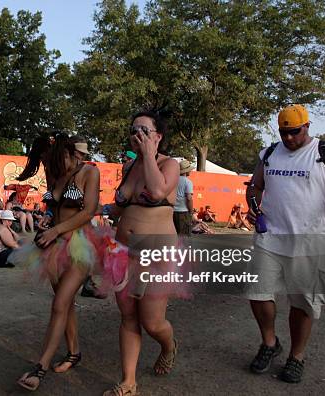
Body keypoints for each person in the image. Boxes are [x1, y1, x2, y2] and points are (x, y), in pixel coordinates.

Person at [245, 104, 325, 383]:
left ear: (307, 126)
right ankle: (269, 343)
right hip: (270, 238)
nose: (289, 138)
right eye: (284, 133)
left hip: (310, 242)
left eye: (294, 132)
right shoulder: (269, 153)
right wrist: (254, 206)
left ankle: (296, 356)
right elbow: (255, 186)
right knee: (258, 294)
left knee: (303, 302)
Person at [10, 133, 101, 391]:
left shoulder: (89, 173)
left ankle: (41, 366)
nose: (49, 165)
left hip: (80, 244)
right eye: (45, 161)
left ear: (71, 152)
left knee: (59, 303)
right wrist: (48, 220)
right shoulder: (54, 171)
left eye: (53, 159)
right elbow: (54, 206)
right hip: (54, 245)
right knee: (66, 302)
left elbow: (88, 210)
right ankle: (74, 353)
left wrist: (56, 230)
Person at [102, 110, 183, 396]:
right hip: (124, 253)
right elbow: (120, 208)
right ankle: (128, 382)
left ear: (158, 136)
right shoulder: (129, 168)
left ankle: (168, 345)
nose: (137, 135)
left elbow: (159, 191)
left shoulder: (170, 164)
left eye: (144, 131)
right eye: (134, 129)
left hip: (156, 255)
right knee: (128, 317)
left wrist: (148, 154)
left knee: (152, 322)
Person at [173, 159, 194, 236]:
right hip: (183, 212)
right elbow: (189, 198)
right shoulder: (187, 182)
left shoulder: (173, 180)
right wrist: (191, 212)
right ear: (186, 171)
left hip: (172, 211)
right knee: (184, 236)